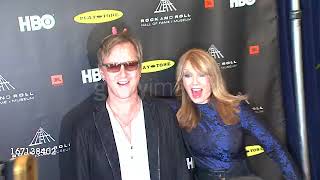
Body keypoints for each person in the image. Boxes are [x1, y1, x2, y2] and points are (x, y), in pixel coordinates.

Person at [70, 28, 193, 180]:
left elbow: (181, 173)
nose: (123, 73)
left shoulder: (163, 114)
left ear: (140, 69)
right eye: (114, 66)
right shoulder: (85, 128)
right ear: (102, 72)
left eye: (130, 64)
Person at [173, 48, 301, 180]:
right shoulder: (178, 112)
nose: (194, 82)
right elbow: (150, 107)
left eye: (201, 75)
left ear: (213, 78)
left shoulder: (236, 109)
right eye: (187, 75)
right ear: (181, 80)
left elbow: (274, 146)